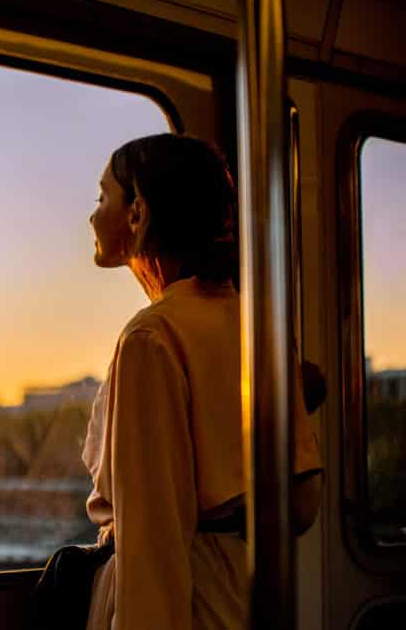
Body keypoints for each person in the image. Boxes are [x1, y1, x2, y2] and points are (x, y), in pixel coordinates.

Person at [81, 134, 323, 630]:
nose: (92, 214)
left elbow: (153, 541)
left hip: (188, 603)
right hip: (249, 591)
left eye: (103, 196)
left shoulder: (152, 336)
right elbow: (302, 504)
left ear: (137, 213)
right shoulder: (257, 324)